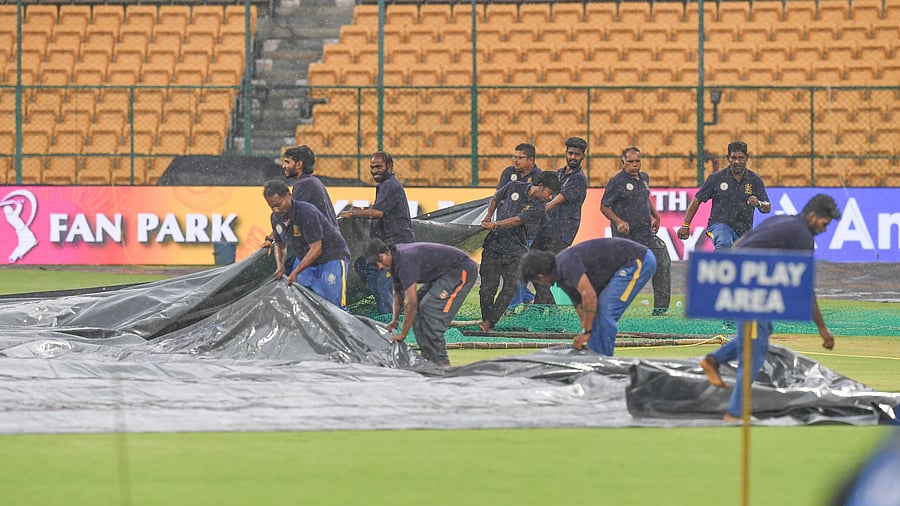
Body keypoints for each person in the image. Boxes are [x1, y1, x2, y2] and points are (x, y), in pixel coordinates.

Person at [698, 194, 842, 422]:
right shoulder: (802, 235)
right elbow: (805, 288)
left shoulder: (784, 221)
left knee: (759, 331)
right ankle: (735, 414)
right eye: (825, 223)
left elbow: (740, 244)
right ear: (813, 216)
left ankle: (713, 361)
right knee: (756, 348)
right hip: (746, 284)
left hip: (739, 277)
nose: (825, 229)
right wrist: (823, 330)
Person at [521, 238, 657, 356]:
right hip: (625, 265)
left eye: (538, 281)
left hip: (638, 260)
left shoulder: (565, 263)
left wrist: (587, 332)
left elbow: (589, 296)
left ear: (541, 276)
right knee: (597, 313)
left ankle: (602, 363)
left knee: (605, 310)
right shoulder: (561, 279)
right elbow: (581, 308)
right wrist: (584, 332)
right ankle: (595, 356)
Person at [362, 239, 478, 366]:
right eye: (376, 263)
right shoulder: (393, 264)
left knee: (429, 308)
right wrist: (394, 320)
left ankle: (443, 364)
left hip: (461, 269)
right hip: (442, 274)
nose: (379, 266)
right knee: (419, 310)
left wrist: (403, 334)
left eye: (380, 260)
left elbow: (411, 303)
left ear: (387, 251)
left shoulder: (404, 260)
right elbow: (398, 293)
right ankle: (428, 360)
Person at [478, 171, 560, 332]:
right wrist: (488, 216)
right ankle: (486, 320)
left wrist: (494, 225)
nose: (550, 198)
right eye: (549, 193)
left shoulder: (539, 208)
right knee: (487, 288)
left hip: (516, 251)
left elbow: (516, 221)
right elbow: (495, 198)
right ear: (540, 186)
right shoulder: (513, 186)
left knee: (509, 288)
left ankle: (489, 323)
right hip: (493, 246)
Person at [339, 151, 416, 314]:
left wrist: (355, 214)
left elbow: (379, 212)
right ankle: (393, 310)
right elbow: (379, 209)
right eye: (372, 167)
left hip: (396, 246)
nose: (374, 171)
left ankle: (388, 322)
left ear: (390, 166)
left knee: (384, 287)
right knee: (363, 266)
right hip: (387, 247)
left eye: (378, 167)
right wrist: (361, 210)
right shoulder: (385, 185)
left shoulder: (390, 185)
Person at [600, 146, 671, 316]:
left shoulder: (644, 178)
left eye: (637, 161)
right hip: (625, 235)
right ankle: (608, 305)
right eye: (630, 162)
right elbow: (604, 206)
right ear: (623, 162)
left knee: (662, 260)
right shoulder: (616, 181)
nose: (634, 165)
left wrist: (656, 215)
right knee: (624, 271)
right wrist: (618, 221)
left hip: (645, 233)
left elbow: (645, 198)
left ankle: (661, 309)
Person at [263, 180, 350, 308]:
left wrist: (296, 272)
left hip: (331, 257)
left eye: (278, 204)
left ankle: (344, 327)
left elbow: (316, 249)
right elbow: (280, 245)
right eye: (272, 207)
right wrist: (280, 265)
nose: (276, 210)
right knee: (301, 303)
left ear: (288, 195)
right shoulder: (275, 218)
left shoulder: (306, 212)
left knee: (334, 306)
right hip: (306, 259)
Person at [676, 140, 771, 249]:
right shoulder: (717, 178)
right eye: (733, 158)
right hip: (718, 225)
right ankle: (719, 265)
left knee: (743, 259)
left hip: (744, 231)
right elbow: (697, 200)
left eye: (740, 158)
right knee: (724, 243)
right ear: (728, 158)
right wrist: (685, 225)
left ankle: (714, 264)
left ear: (747, 158)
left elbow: (767, 207)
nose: (737, 161)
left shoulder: (755, 180)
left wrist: (758, 203)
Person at [532, 136, 589, 305]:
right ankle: (541, 309)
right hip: (547, 229)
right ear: (566, 153)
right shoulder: (559, 174)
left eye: (577, 154)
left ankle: (548, 311)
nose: (573, 157)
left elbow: (558, 199)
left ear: (583, 157)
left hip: (561, 232)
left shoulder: (578, 178)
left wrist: (537, 211)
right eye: (571, 153)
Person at [498, 143, 543, 310]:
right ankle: (528, 300)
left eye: (519, 157)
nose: (515, 160)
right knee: (510, 270)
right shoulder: (508, 173)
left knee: (516, 270)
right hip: (507, 232)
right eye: (514, 157)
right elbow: (499, 196)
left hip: (527, 234)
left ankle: (512, 307)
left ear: (530, 160)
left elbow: (537, 206)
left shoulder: (539, 177)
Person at [282, 145, 338, 227]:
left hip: (323, 238)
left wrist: (270, 238)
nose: (283, 166)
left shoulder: (303, 184)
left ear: (299, 164)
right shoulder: (313, 181)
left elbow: (292, 218)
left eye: (287, 162)